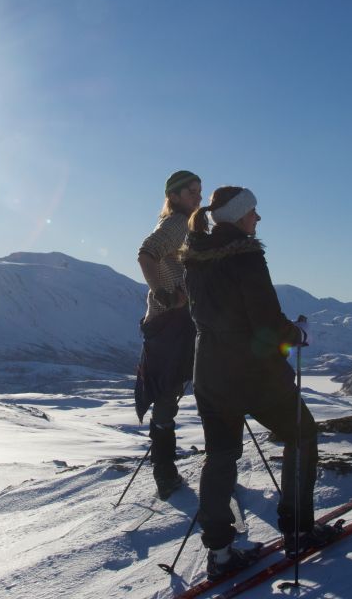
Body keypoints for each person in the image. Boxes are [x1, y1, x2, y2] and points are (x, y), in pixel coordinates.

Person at [180, 186, 336, 580]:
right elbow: (265, 323)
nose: (258, 219)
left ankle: (220, 552)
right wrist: (298, 334)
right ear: (239, 215)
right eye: (253, 212)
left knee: (221, 455)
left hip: (210, 374)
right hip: (254, 374)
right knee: (302, 435)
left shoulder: (195, 258)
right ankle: (298, 530)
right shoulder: (246, 256)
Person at [134, 169, 202, 500]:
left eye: (199, 192)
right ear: (173, 197)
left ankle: (165, 470)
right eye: (191, 192)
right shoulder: (176, 223)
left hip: (170, 322)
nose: (198, 198)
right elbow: (146, 253)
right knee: (170, 393)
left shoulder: (186, 223)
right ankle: (165, 473)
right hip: (171, 322)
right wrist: (162, 292)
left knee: (167, 393)